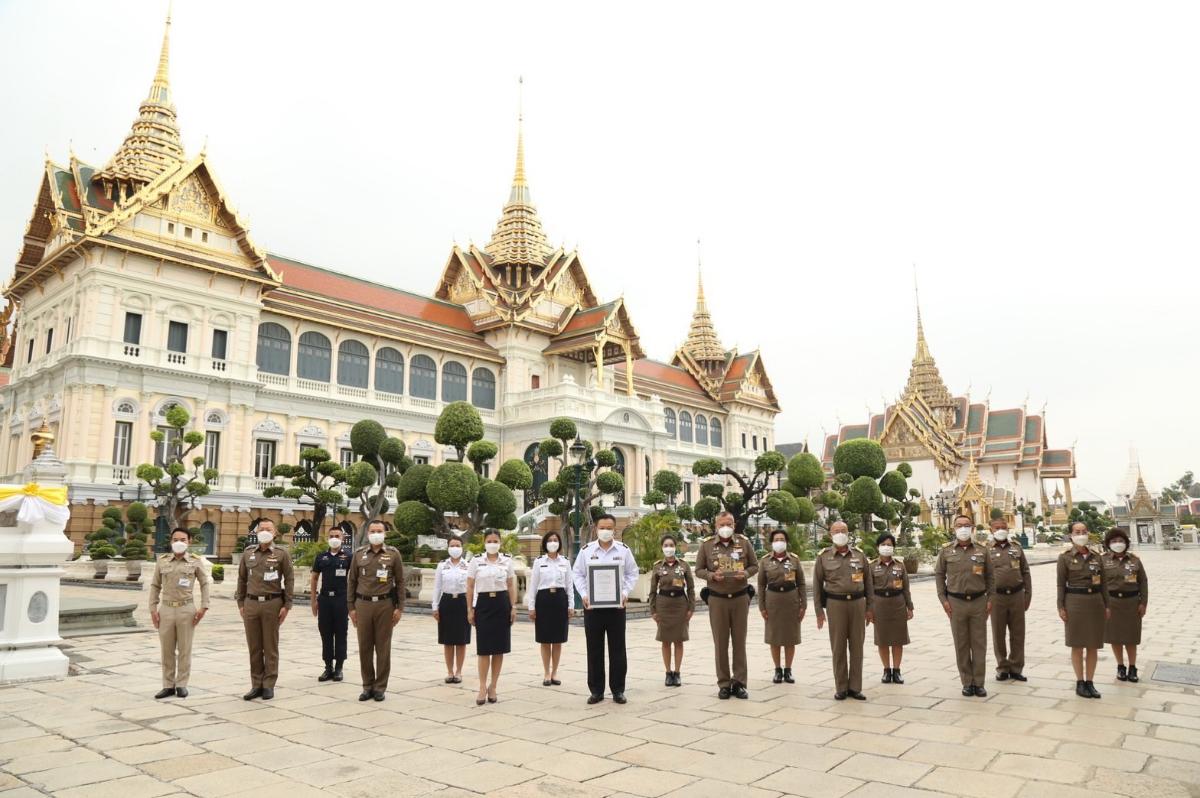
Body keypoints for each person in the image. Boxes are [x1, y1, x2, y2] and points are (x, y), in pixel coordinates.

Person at [572, 513, 639, 704]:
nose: (605, 531)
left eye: (609, 528)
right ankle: (596, 690)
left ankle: (618, 689)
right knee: (594, 649)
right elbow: (577, 574)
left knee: (618, 648)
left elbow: (632, 573)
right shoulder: (586, 551)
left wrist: (625, 593)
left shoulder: (623, 550)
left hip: (617, 607)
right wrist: (584, 595)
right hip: (593, 608)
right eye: (602, 527)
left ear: (614, 530)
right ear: (595, 529)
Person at [695, 510, 759, 699]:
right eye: (722, 524)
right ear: (716, 526)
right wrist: (711, 575)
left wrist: (746, 574)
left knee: (739, 642)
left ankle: (739, 682)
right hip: (718, 599)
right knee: (720, 643)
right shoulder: (707, 546)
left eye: (729, 524)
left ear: (734, 524)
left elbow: (755, 566)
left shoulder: (744, 543)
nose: (725, 528)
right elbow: (698, 569)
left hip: (740, 598)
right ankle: (723, 683)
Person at [235, 517, 294, 700]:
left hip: (272, 603)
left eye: (268, 528)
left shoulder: (282, 553)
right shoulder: (248, 553)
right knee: (254, 646)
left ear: (275, 532)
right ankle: (256, 684)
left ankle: (269, 684)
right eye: (261, 528)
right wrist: (240, 602)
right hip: (251, 603)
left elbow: (289, 579)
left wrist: (287, 605)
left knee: (270, 646)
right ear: (256, 532)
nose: (264, 531)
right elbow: (242, 579)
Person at [149, 527, 210, 699]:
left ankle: (182, 684)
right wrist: (153, 608)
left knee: (184, 649)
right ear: (171, 541)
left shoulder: (195, 561)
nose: (179, 542)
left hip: (186, 609)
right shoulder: (162, 561)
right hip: (166, 609)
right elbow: (155, 585)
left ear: (189, 542)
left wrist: (204, 606)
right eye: (175, 539)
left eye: (183, 539)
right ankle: (168, 685)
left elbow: (205, 583)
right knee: (167, 650)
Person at [814, 521, 872, 700]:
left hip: (857, 603)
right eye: (836, 531)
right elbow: (817, 585)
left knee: (857, 646)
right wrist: (819, 612)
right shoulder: (824, 557)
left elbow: (869, 583)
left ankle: (855, 687)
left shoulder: (860, 556)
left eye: (843, 531)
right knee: (838, 647)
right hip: (835, 604)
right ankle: (841, 686)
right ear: (830, 535)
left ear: (848, 533)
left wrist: (870, 607)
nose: (840, 534)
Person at [935, 515, 992, 697]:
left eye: (967, 525)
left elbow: (991, 577)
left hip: (978, 601)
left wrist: (990, 598)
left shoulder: (982, 551)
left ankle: (979, 682)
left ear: (972, 528)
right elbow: (939, 575)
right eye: (960, 526)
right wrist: (943, 599)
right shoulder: (946, 551)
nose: (963, 529)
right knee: (961, 644)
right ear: (954, 528)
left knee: (979, 644)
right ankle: (967, 682)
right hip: (956, 602)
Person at [347, 519, 404, 701]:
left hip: (384, 605)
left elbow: (401, 582)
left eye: (379, 530)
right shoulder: (359, 554)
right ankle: (367, 686)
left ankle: (380, 687)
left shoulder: (393, 554)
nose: (376, 534)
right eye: (373, 531)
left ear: (385, 533)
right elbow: (351, 582)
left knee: (383, 648)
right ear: (368, 533)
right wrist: (351, 608)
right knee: (364, 647)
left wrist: (400, 608)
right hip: (362, 605)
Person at [1058, 521, 1110, 698]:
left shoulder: (1097, 557)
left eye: (1084, 531)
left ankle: (1090, 682)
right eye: (1077, 531)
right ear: (1071, 535)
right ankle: (1080, 682)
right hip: (1075, 602)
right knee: (1077, 645)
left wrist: (1107, 605)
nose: (1081, 534)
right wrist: (1061, 606)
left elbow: (1103, 584)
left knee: (1093, 645)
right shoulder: (1065, 557)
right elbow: (1060, 585)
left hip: (1095, 602)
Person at [467, 529, 517, 705]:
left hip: (502, 605)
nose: (492, 544)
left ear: (500, 542)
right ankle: (482, 686)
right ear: (484, 541)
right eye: (489, 540)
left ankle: (493, 686)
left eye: (495, 540)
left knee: (499, 648)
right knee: (484, 649)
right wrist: (469, 609)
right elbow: (470, 587)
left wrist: (513, 607)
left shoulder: (506, 561)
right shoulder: (476, 561)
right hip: (483, 605)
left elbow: (511, 585)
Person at [757, 529, 805, 684]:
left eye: (782, 539)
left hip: (791, 600)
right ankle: (777, 670)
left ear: (786, 542)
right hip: (773, 600)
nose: (779, 542)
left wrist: (803, 604)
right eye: (776, 539)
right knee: (774, 637)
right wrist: (762, 606)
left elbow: (802, 583)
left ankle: (788, 670)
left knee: (790, 637)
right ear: (771, 542)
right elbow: (761, 584)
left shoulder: (795, 560)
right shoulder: (765, 561)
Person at [527, 530, 574, 686]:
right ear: (545, 543)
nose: (553, 542)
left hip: (560, 600)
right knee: (545, 640)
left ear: (559, 543)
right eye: (550, 540)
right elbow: (533, 586)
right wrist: (531, 607)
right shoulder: (539, 562)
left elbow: (569, 586)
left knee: (558, 640)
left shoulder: (565, 561)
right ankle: (546, 672)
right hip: (544, 600)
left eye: (555, 540)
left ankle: (555, 673)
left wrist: (571, 605)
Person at [987, 517, 1030, 683]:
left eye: (1003, 527)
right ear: (991, 530)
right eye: (997, 527)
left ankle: (1016, 667)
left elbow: (1025, 571)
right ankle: (1002, 667)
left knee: (1018, 633)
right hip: (997, 596)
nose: (1000, 530)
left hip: (1017, 594)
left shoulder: (1017, 548)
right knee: (998, 633)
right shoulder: (986, 550)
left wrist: (1028, 595)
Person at [649, 532, 695, 686]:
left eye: (671, 545)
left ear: (676, 547)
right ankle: (668, 673)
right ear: (662, 548)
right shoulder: (657, 566)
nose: (669, 548)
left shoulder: (683, 565)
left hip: (680, 604)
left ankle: (678, 672)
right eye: (666, 546)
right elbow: (652, 591)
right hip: (663, 605)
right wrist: (653, 611)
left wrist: (691, 608)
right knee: (666, 640)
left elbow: (691, 589)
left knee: (679, 640)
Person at [1102, 528, 1147, 682]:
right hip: (1112, 603)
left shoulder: (1134, 560)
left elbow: (1143, 582)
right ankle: (1120, 666)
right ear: (1108, 544)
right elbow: (1098, 583)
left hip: (1131, 603)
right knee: (1115, 638)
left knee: (1131, 638)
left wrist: (1143, 603)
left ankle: (1133, 667)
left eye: (1120, 541)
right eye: (1114, 541)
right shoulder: (1103, 560)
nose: (1117, 544)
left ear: (1126, 543)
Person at [309, 524, 351, 683]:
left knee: (341, 632)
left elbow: (353, 580)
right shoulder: (321, 557)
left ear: (343, 538)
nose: (334, 539)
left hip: (341, 599)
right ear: (328, 538)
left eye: (337, 536)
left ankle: (339, 667)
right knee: (325, 633)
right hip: (325, 599)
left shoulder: (348, 557)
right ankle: (328, 667)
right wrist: (313, 600)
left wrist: (352, 602)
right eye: (332, 536)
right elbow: (314, 578)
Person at [870, 532, 912, 684]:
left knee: (898, 639)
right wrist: (868, 609)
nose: (886, 547)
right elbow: (868, 590)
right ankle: (886, 670)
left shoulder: (900, 566)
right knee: (882, 639)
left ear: (894, 547)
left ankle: (897, 670)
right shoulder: (872, 566)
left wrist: (910, 606)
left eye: (889, 545)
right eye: (883, 545)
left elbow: (906, 587)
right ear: (878, 547)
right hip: (879, 604)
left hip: (898, 603)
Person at [432, 535, 470, 684]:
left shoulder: (467, 565)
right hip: (447, 602)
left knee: (461, 640)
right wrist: (435, 607)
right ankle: (449, 672)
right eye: (452, 545)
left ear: (462, 547)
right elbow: (437, 587)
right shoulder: (442, 565)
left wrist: (471, 607)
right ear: (448, 547)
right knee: (448, 640)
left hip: (462, 601)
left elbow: (472, 587)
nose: (455, 548)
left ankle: (459, 672)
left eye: (458, 545)